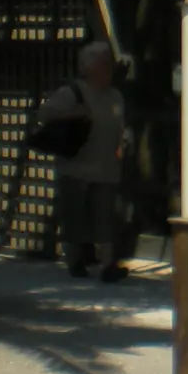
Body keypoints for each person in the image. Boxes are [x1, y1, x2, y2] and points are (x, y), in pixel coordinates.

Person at [38, 42, 128, 282]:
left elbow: (120, 128)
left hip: (107, 168)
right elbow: (44, 115)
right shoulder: (72, 93)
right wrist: (73, 114)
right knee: (75, 218)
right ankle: (75, 261)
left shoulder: (115, 96)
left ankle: (108, 265)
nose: (108, 69)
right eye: (103, 64)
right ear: (89, 68)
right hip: (76, 169)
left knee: (105, 219)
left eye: (109, 64)